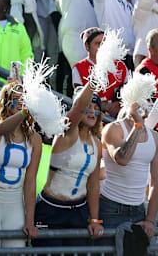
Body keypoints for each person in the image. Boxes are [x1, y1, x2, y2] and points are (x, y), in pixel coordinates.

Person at [34, 83, 104, 248]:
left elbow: (93, 185)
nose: (92, 111)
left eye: (96, 108)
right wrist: (93, 81)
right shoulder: (66, 132)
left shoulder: (97, 144)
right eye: (88, 106)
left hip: (78, 211)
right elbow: (79, 108)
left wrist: (94, 220)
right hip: (50, 209)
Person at [0, 81, 41, 248]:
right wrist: (25, 111)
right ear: (5, 102)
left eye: (24, 99)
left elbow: (31, 180)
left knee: (15, 250)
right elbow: (3, 128)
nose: (21, 102)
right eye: (16, 98)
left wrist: (30, 219)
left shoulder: (34, 138)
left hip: (15, 202)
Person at [100, 101, 158, 239]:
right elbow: (122, 159)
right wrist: (137, 125)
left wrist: (150, 220)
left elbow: (155, 182)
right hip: (110, 207)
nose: (147, 105)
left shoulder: (155, 137)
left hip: (138, 210)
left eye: (150, 100)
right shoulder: (113, 129)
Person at [72, 27, 127, 117]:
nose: (102, 47)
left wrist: (119, 104)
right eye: (97, 43)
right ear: (87, 46)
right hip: (93, 120)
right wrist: (105, 106)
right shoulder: (79, 68)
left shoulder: (120, 65)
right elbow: (80, 100)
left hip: (118, 121)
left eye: (104, 43)